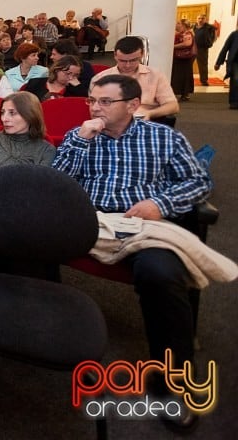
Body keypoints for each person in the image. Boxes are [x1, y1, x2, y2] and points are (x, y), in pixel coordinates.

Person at [52, 75, 212, 431]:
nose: (95, 107)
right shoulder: (82, 137)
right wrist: (79, 140)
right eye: (91, 100)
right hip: (87, 222)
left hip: (139, 226)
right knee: (22, 237)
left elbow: (199, 181)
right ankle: (34, 338)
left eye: (105, 101)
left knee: (162, 274)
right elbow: (55, 180)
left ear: (133, 105)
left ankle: (172, 384)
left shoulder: (162, 138)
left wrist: (160, 203)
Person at [0, 92, 56, 198]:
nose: (4, 118)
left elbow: (35, 185)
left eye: (12, 113)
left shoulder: (46, 149)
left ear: (30, 115)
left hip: (25, 205)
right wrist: (20, 180)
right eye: (2, 112)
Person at [91, 36, 179, 123]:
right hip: (111, 123)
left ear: (142, 55)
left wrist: (150, 113)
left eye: (133, 60)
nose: (128, 65)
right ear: (115, 56)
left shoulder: (155, 75)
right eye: (122, 61)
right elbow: (93, 108)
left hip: (146, 121)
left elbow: (173, 106)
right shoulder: (100, 78)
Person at [22, 55, 88, 101]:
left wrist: (78, 87)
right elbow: (24, 103)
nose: (71, 78)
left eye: (75, 75)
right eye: (68, 73)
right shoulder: (36, 83)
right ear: (57, 70)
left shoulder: (76, 90)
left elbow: (84, 104)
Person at [171, 20, 196, 101]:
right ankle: (180, 93)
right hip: (178, 58)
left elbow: (187, 44)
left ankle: (185, 94)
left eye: (178, 24)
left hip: (184, 59)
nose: (176, 25)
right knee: (177, 76)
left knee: (184, 76)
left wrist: (172, 46)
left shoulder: (187, 33)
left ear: (184, 25)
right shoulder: (179, 34)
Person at [215, 28, 238, 109]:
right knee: (236, 80)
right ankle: (234, 102)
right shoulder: (234, 34)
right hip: (235, 61)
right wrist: (218, 63)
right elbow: (225, 48)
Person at [193, 14, 217, 86]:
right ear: (197, 19)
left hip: (202, 49)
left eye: (202, 18)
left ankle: (204, 81)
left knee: (203, 65)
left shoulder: (209, 27)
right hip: (193, 48)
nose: (200, 20)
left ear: (205, 19)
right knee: (188, 64)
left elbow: (214, 36)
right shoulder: (194, 27)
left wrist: (211, 42)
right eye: (199, 18)